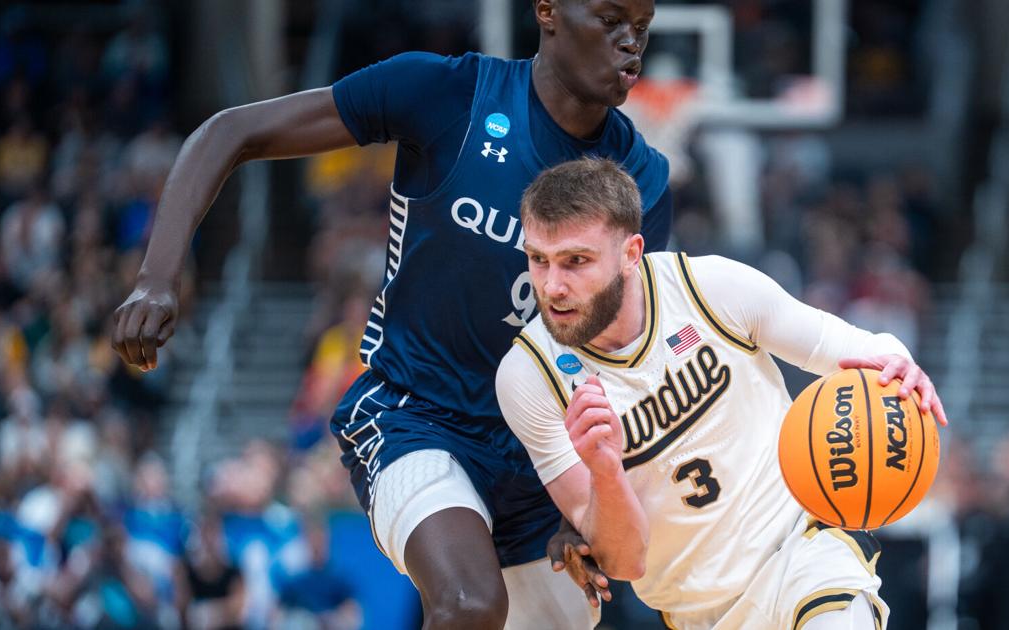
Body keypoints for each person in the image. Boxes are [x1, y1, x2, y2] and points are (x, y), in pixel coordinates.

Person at [110, 1, 671, 627]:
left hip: (541, 460)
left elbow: (624, 357)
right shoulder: (449, 94)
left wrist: (584, 503)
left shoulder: (643, 179)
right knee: (469, 603)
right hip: (416, 418)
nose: (631, 43)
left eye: (641, 27)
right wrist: (156, 278)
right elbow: (229, 131)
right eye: (611, 20)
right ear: (548, 11)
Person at [496, 158, 950, 629]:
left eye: (576, 261)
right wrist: (606, 471)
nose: (552, 286)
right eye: (539, 259)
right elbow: (625, 563)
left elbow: (855, 348)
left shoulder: (709, 288)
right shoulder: (529, 377)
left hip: (803, 549)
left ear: (631, 253)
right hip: (697, 611)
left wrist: (899, 361)